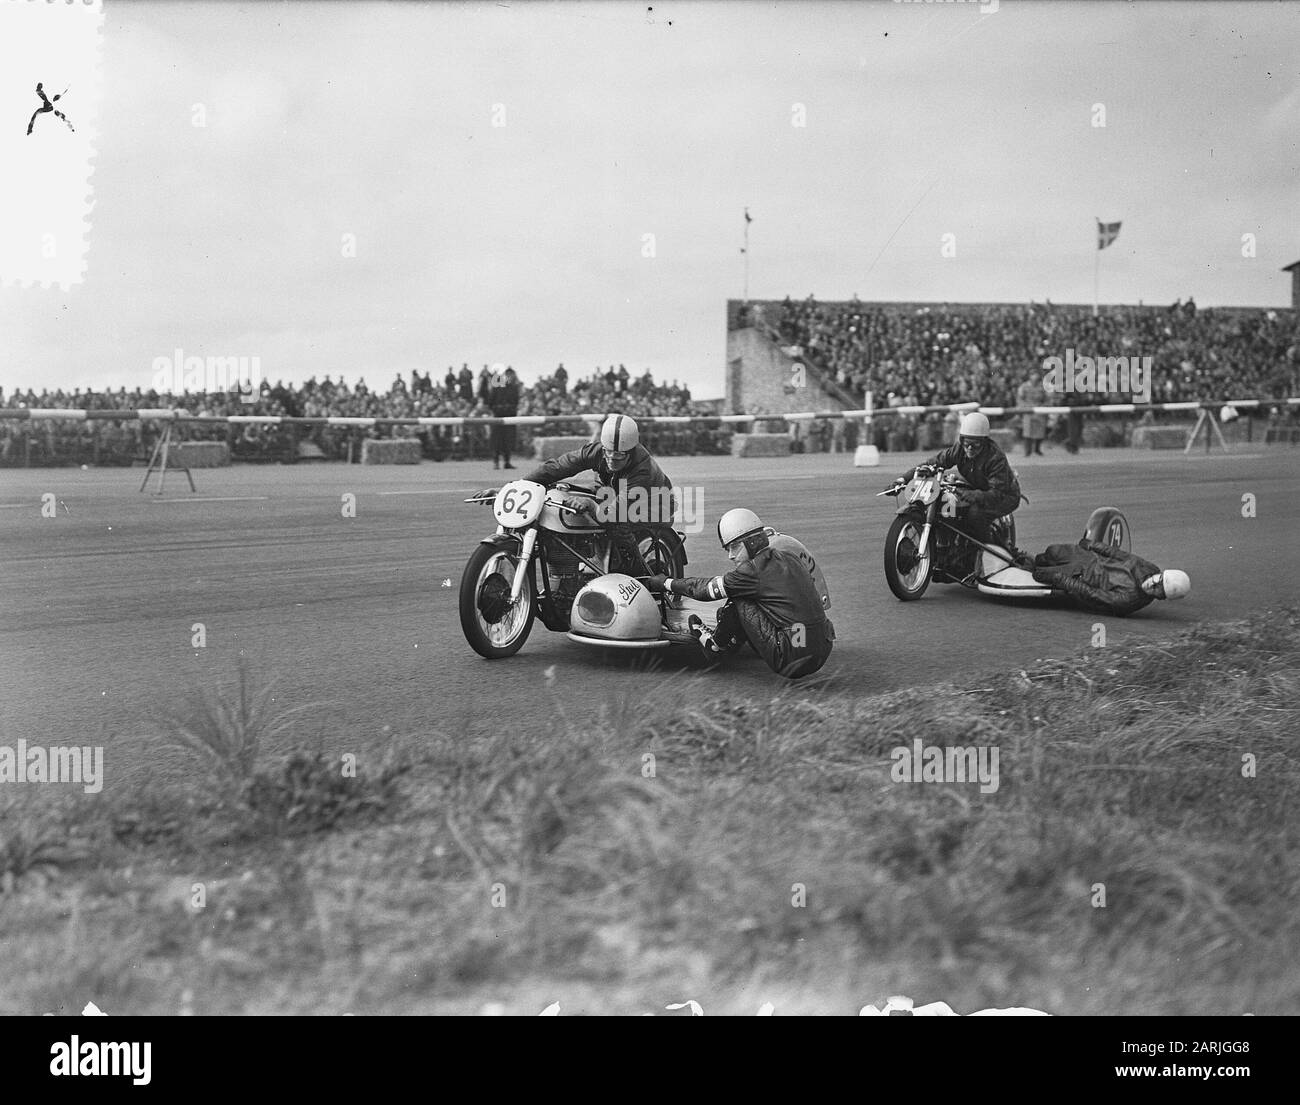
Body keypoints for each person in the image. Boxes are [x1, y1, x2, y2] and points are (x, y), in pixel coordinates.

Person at [638, 509, 834, 679]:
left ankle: (716, 645)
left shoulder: (752, 572)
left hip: (790, 658)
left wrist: (665, 583)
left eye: (734, 547)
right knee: (756, 597)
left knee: (739, 595)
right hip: (823, 648)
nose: (731, 555)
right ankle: (735, 638)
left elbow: (703, 590)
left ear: (752, 542)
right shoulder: (790, 556)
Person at [519, 414, 674, 575]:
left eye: (619, 455)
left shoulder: (642, 470)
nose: (612, 459)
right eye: (608, 452)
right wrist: (521, 485)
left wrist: (591, 504)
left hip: (655, 505)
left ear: (631, 451)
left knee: (618, 525)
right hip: (613, 492)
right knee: (568, 492)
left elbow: (612, 515)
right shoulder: (597, 452)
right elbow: (558, 466)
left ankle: (639, 573)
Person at [895, 410, 1030, 570]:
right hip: (975, 485)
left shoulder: (996, 458)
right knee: (946, 504)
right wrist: (903, 479)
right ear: (961, 439)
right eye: (966, 442)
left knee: (975, 515)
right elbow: (933, 463)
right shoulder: (959, 449)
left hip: (1005, 495)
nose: (970, 447)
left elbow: (996, 494)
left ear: (985, 442)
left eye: (976, 444)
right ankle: (948, 549)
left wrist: (971, 495)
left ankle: (998, 554)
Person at [1031, 539, 1190, 616]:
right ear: (1160, 574)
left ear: (1160, 597)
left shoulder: (1129, 600)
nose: (1152, 585)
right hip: (1088, 558)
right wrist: (1093, 545)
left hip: (1079, 577)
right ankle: (1027, 560)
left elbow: (1091, 594)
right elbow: (1120, 554)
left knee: (1038, 573)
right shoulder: (1150, 568)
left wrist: (1062, 580)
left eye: (1157, 590)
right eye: (1158, 580)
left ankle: (1028, 566)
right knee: (1051, 551)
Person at [488, 366, 520, 469]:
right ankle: (496, 462)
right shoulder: (497, 388)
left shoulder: (514, 388)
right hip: (498, 416)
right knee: (497, 441)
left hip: (510, 416)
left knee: (508, 440)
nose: (510, 377)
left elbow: (516, 402)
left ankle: (507, 461)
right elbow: (490, 402)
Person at [1016, 372, 1048, 457]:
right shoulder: (1023, 387)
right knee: (1027, 431)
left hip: (1039, 410)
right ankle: (1027, 450)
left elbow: (1046, 399)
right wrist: (1023, 408)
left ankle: (1037, 449)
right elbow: (1020, 399)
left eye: (1036, 379)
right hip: (1028, 410)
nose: (1035, 381)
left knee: (1040, 430)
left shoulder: (1042, 387)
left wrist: (1044, 406)